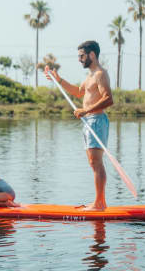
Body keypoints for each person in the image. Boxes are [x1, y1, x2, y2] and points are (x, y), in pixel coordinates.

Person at [45, 40, 113, 211]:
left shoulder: (100, 74)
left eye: (81, 56)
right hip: (89, 120)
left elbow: (108, 99)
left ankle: (99, 203)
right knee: (93, 162)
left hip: (96, 120)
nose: (79, 59)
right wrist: (59, 80)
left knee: (96, 162)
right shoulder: (90, 76)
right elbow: (79, 92)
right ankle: (100, 202)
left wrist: (86, 110)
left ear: (91, 55)